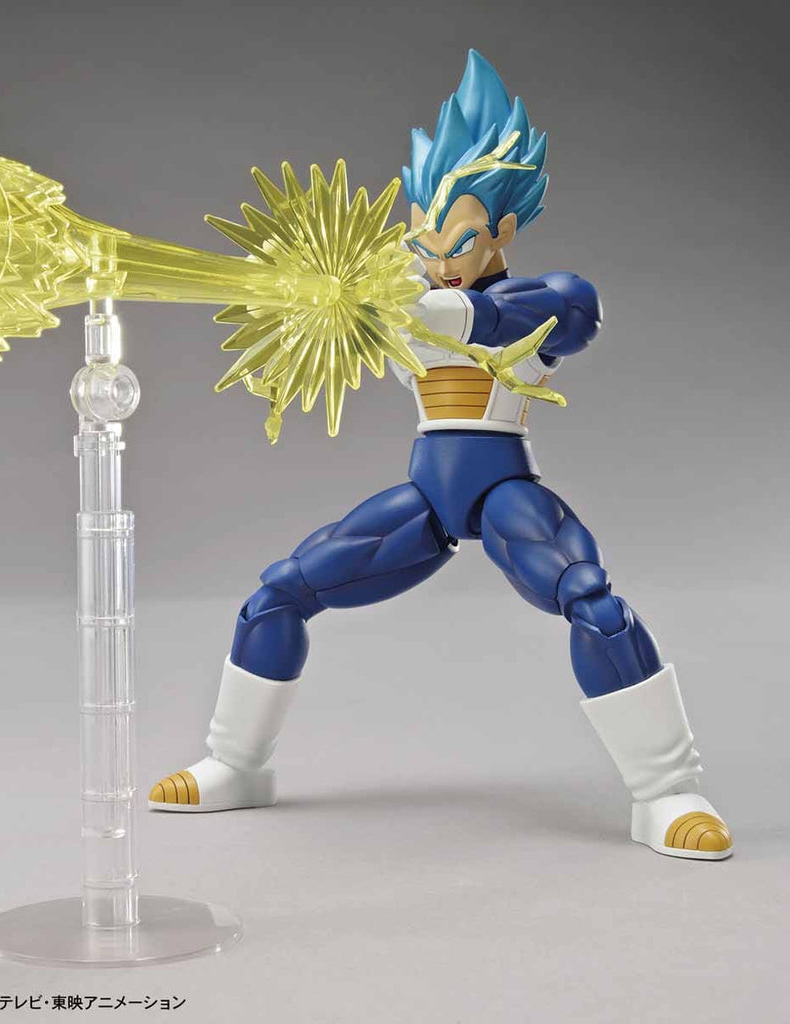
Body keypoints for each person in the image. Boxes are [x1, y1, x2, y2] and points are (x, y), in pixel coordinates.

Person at [149, 50, 732, 861]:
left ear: (502, 233)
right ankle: (234, 764)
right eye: (424, 240)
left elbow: (554, 314)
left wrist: (413, 302)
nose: (439, 258)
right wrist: (304, 307)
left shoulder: (533, 300)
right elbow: (320, 338)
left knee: (593, 603)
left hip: (505, 492)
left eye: (458, 241)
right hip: (425, 499)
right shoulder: (402, 298)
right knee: (277, 596)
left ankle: (668, 792)